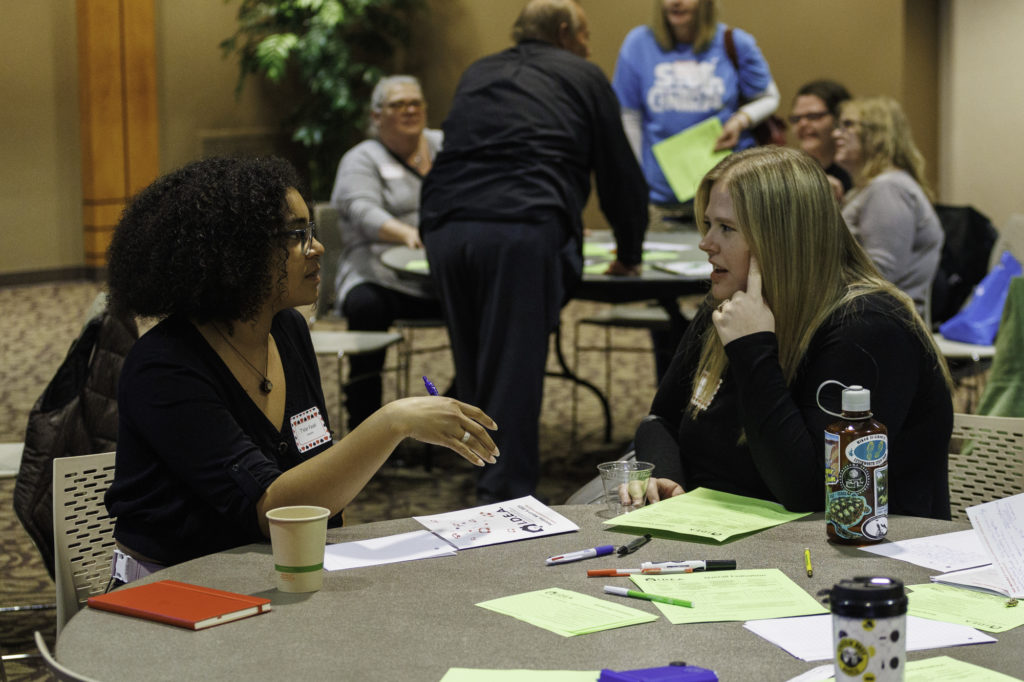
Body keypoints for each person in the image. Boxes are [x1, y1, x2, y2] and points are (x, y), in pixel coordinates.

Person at [104, 156, 498, 571]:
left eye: (311, 231)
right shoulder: (165, 367)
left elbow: (315, 481)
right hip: (175, 589)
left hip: (275, 570)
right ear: (236, 251)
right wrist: (393, 421)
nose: (318, 248)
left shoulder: (287, 329)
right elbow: (273, 508)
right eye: (297, 235)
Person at [634, 147, 953, 520]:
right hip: (725, 536)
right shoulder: (729, 304)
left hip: (846, 556)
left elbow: (809, 493)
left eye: (727, 228)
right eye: (708, 224)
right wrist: (666, 476)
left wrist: (753, 351)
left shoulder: (869, 328)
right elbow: (660, 422)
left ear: (781, 238)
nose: (706, 243)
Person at [420, 0, 648, 503]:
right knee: (515, 369)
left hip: (445, 226)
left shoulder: (478, 71)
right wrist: (629, 251)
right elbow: (618, 175)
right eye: (586, 34)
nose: (589, 45)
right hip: (521, 227)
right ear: (566, 32)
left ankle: (476, 466)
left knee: (476, 361)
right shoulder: (583, 75)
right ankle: (503, 499)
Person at [330, 75, 445, 430]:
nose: (409, 109)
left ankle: (461, 405)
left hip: (439, 276)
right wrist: (408, 234)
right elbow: (361, 210)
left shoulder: (446, 144)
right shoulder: (361, 158)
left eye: (416, 102)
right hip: (378, 274)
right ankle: (365, 423)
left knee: (490, 307)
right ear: (377, 115)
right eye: (398, 104)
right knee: (366, 307)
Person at [613, 0, 779, 231]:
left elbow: (770, 97)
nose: (676, 2)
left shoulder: (734, 41)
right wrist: (637, 178)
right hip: (663, 199)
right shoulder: (638, 43)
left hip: (728, 195)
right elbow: (629, 116)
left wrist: (740, 120)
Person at [833, 96, 944, 317]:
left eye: (847, 125)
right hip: (870, 316)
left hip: (884, 323)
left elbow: (880, 274)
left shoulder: (889, 188)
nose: (836, 134)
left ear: (878, 134)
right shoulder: (867, 189)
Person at [789, 79, 852, 199]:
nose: (802, 124)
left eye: (813, 116)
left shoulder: (857, 174)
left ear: (839, 119)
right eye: (796, 119)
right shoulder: (789, 173)